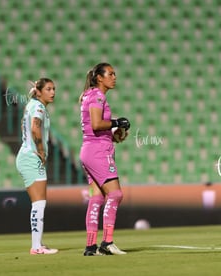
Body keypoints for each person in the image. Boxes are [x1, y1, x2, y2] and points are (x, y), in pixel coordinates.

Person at [79, 63, 131, 256]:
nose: (114, 77)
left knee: (97, 198)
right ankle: (107, 242)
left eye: (115, 73)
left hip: (90, 150)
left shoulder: (90, 95)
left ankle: (91, 246)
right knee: (115, 194)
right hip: (98, 152)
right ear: (99, 78)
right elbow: (96, 124)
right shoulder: (97, 96)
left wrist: (115, 134)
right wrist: (117, 122)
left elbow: (98, 129)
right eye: (110, 74)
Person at [16, 78, 58, 255]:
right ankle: (36, 247)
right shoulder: (39, 107)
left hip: (26, 155)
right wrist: (41, 150)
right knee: (39, 203)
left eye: (54, 89)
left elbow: (22, 125)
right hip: (32, 158)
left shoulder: (32, 105)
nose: (53, 92)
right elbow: (35, 128)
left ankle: (37, 243)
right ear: (39, 91)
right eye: (48, 89)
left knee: (38, 203)